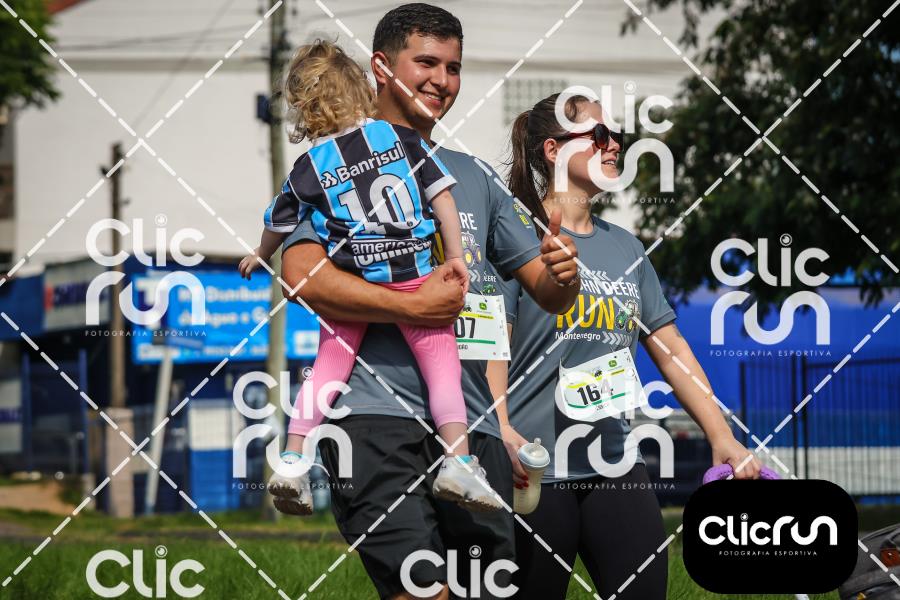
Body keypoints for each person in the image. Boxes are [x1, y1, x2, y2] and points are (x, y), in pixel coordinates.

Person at [278, 5, 580, 600]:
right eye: (426, 63)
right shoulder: (334, 164)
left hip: (472, 431)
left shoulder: (474, 176)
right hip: (373, 422)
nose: (442, 80)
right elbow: (301, 277)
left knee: (484, 593)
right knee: (422, 593)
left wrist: (563, 273)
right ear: (382, 67)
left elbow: (547, 292)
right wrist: (411, 308)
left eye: (453, 67)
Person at [488, 92, 762, 599]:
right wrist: (499, 429)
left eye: (617, 136)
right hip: (533, 469)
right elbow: (492, 346)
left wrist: (721, 435)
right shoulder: (513, 236)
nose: (613, 144)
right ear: (553, 149)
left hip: (614, 464)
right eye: (598, 135)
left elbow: (670, 347)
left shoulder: (627, 247)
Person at [239, 39, 505, 514]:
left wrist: (259, 254)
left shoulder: (309, 166)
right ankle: (458, 462)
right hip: (413, 277)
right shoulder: (399, 139)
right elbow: (443, 196)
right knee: (443, 369)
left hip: (355, 283)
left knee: (327, 369)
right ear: (362, 88)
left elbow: (279, 220)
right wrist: (456, 257)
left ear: (304, 108)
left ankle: (293, 460)